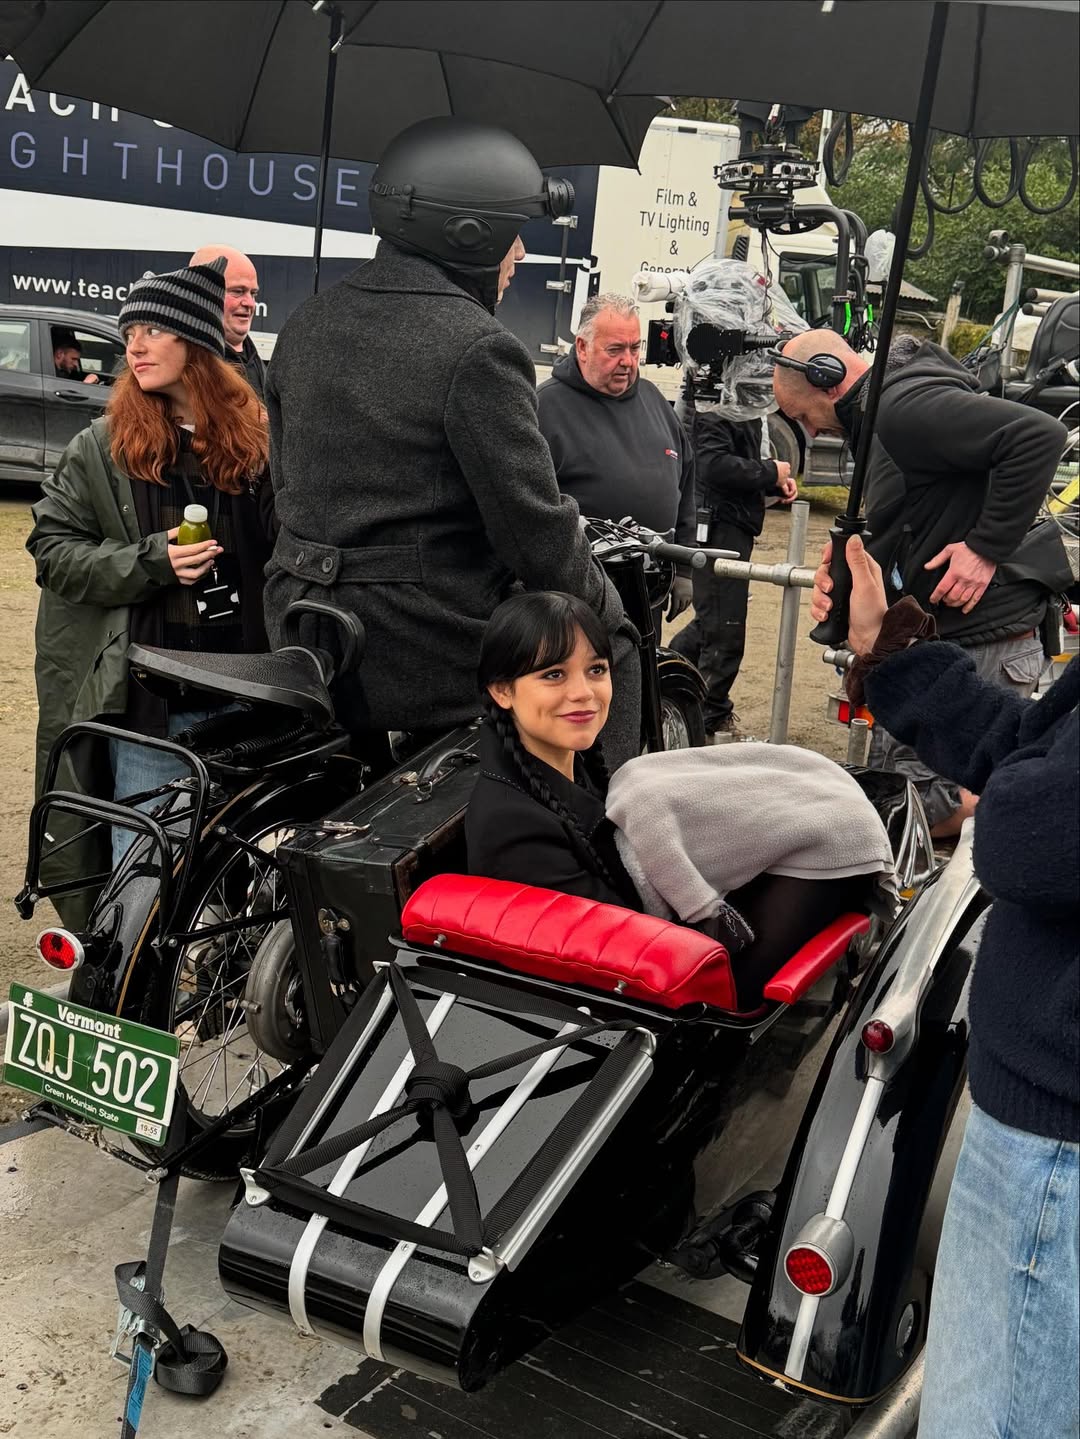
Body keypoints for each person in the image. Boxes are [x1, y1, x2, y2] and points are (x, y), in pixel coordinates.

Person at [263, 117, 639, 767]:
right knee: (616, 648)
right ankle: (606, 820)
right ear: (472, 234)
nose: (521, 254)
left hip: (299, 621)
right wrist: (603, 602)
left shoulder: (306, 321)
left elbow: (285, 484)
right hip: (417, 642)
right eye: (514, 234)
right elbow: (534, 532)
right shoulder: (479, 347)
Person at [810, 532, 1078, 1439]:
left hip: (1058, 1144)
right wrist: (890, 648)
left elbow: (1030, 835)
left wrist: (1004, 800)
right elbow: (1029, 746)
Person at [468, 591, 881, 1005]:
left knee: (820, 823)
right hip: (646, 992)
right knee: (837, 844)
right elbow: (617, 946)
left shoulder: (565, 757)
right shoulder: (511, 824)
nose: (584, 693)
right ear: (503, 690)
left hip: (652, 942)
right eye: (554, 675)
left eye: (596, 670)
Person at [27, 255, 273, 917]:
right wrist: (151, 560)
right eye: (129, 331)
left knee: (242, 890)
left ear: (197, 343)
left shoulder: (259, 440)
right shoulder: (105, 446)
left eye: (153, 330)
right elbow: (52, 551)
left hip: (253, 701)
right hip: (158, 711)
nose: (134, 345)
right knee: (142, 898)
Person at [773, 328, 1068, 835]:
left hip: (978, 640)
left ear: (828, 379)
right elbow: (920, 512)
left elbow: (1039, 436)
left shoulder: (902, 407)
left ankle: (1027, 807)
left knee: (922, 810)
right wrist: (854, 575)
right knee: (902, 800)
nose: (812, 433)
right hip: (933, 642)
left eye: (803, 416)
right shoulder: (884, 412)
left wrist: (985, 549)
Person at [537, 294, 696, 630]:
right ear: (582, 347)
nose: (628, 361)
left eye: (634, 348)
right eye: (615, 350)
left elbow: (685, 485)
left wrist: (683, 569)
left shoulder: (655, 402)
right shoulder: (545, 409)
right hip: (575, 601)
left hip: (646, 593)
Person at [670, 406, 798, 737]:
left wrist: (775, 483)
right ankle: (707, 717)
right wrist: (769, 472)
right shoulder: (716, 409)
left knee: (712, 621)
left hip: (733, 523)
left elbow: (734, 463)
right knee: (724, 629)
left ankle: (665, 680)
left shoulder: (743, 410)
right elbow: (713, 466)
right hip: (718, 526)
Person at [189, 244, 266, 397]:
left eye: (253, 294)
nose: (250, 303)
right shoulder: (188, 369)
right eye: (238, 291)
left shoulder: (256, 360)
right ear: (202, 294)